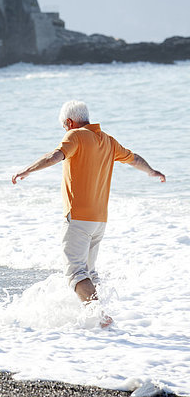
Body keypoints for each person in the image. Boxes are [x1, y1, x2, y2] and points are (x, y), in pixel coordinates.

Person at [12, 100, 165, 323]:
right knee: (89, 272)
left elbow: (54, 156)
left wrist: (25, 171)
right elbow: (134, 158)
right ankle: (98, 317)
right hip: (99, 220)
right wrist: (151, 171)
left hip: (78, 218)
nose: (65, 130)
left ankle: (100, 316)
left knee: (76, 273)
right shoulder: (108, 141)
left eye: (64, 126)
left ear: (69, 122)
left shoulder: (75, 136)